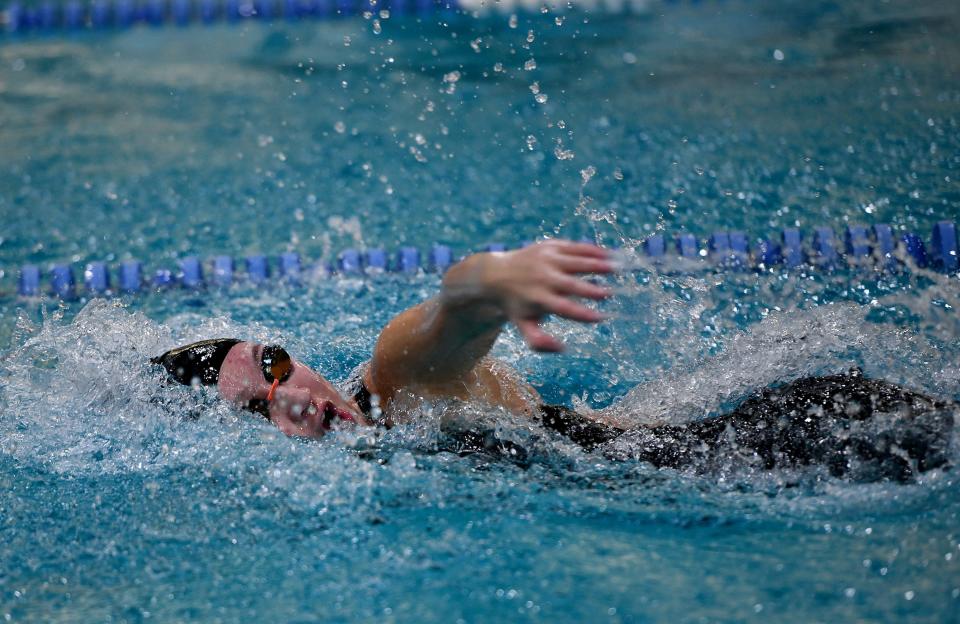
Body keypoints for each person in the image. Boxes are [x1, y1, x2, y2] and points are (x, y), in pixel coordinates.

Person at [153, 240, 956, 481]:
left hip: (791, 443)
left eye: (276, 367)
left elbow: (445, 312)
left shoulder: (395, 389)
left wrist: (495, 282)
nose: (290, 395)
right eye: (258, 410)